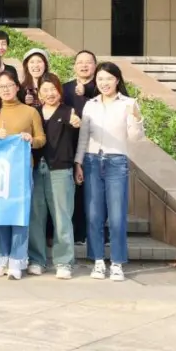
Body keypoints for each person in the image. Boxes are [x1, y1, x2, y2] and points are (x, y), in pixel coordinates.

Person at [76, 62, 144, 283]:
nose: (104, 83)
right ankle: (97, 261)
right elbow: (84, 137)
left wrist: (136, 118)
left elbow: (135, 138)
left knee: (117, 216)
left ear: (117, 80)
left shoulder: (128, 103)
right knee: (94, 215)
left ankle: (116, 263)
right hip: (92, 161)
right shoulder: (91, 104)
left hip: (116, 162)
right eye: (100, 79)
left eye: (108, 78)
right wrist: (78, 162)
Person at [0, 70, 46, 280]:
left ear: (17, 87)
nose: (5, 90)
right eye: (1, 87)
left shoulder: (30, 112)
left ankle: (17, 261)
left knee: (19, 214)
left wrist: (30, 139)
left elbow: (41, 139)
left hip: (22, 170)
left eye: (9, 85)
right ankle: (1, 259)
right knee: (1, 215)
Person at [29, 73, 80, 280]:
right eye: (45, 90)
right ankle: (36, 259)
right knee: (36, 216)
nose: (50, 93)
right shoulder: (34, 113)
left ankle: (64, 262)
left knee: (62, 217)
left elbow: (79, 137)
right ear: (39, 93)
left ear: (59, 91)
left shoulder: (69, 112)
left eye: (53, 89)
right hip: (35, 169)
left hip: (60, 169)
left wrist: (76, 122)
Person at [63, 49, 97, 244]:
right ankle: (78, 232)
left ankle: (95, 232)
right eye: (80, 62)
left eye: (88, 62)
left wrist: (88, 91)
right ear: (74, 66)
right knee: (76, 191)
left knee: (94, 193)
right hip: (71, 144)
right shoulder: (65, 88)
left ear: (95, 66)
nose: (84, 65)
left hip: (96, 146)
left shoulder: (102, 87)